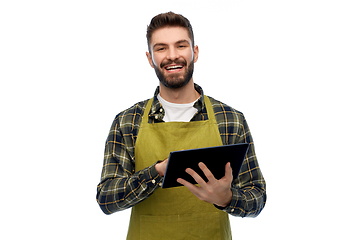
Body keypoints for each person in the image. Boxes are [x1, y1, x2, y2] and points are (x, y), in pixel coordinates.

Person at [96, 12, 266, 240]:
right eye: (161, 48)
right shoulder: (128, 121)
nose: (172, 56)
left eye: (181, 45)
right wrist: (157, 172)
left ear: (194, 53)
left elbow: (257, 197)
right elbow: (107, 199)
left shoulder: (230, 119)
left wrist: (227, 199)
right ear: (150, 58)